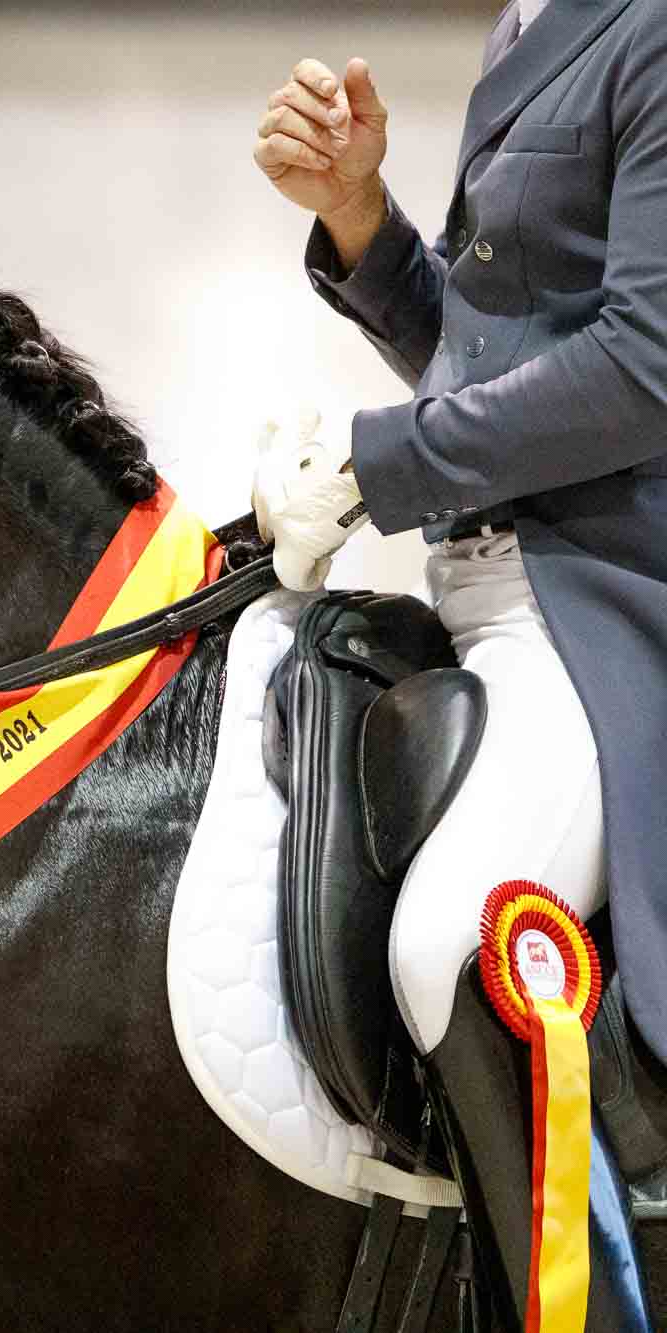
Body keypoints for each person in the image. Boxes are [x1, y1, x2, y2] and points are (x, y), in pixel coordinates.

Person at [251, 3, 667, 1326]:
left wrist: (376, 467)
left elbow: (642, 372)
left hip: (598, 612)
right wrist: (362, 219)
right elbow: (497, 363)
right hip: (485, 602)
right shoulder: (534, 22)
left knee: (450, 938)